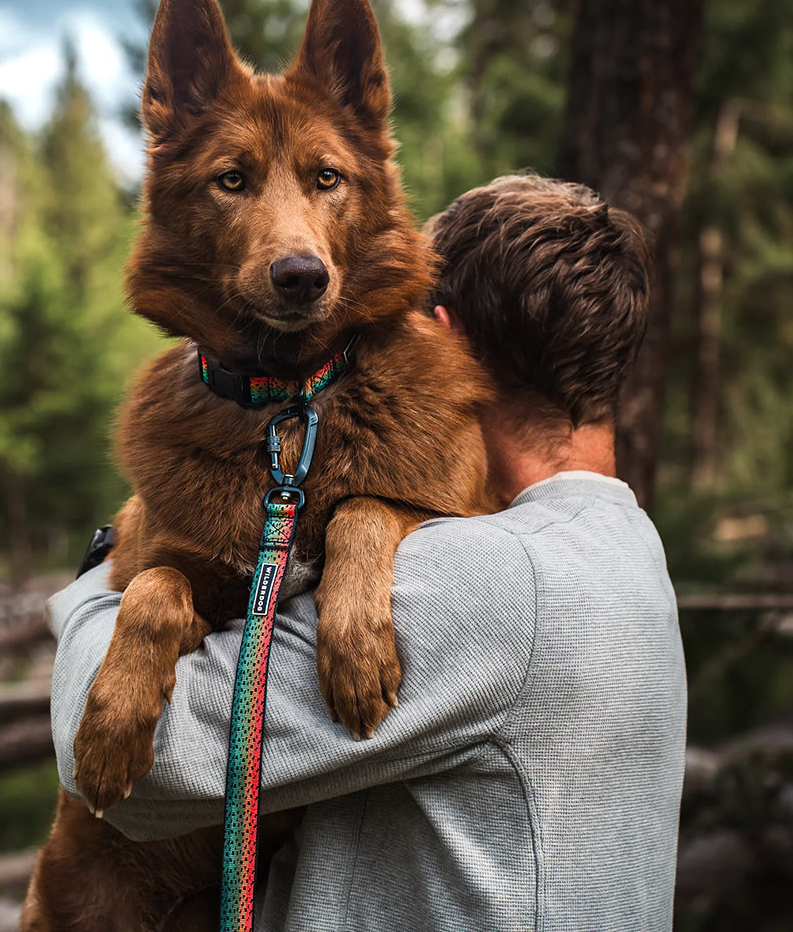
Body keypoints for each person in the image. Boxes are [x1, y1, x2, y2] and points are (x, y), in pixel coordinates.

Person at [45, 174, 687, 931]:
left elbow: (154, 775)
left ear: (439, 335)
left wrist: (97, 582)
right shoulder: (628, 550)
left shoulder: (488, 579)